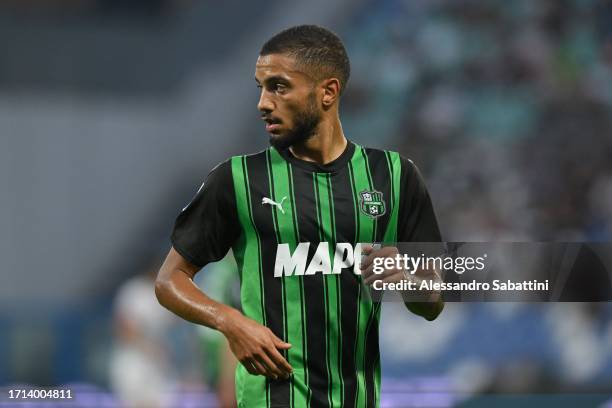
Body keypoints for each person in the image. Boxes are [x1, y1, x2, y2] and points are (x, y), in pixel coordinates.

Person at [155, 24, 444, 408]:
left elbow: (433, 302)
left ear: (327, 92)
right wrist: (230, 321)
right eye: (260, 87)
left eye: (278, 86)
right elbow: (168, 280)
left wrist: (408, 279)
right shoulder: (238, 179)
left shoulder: (394, 176)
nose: (262, 102)